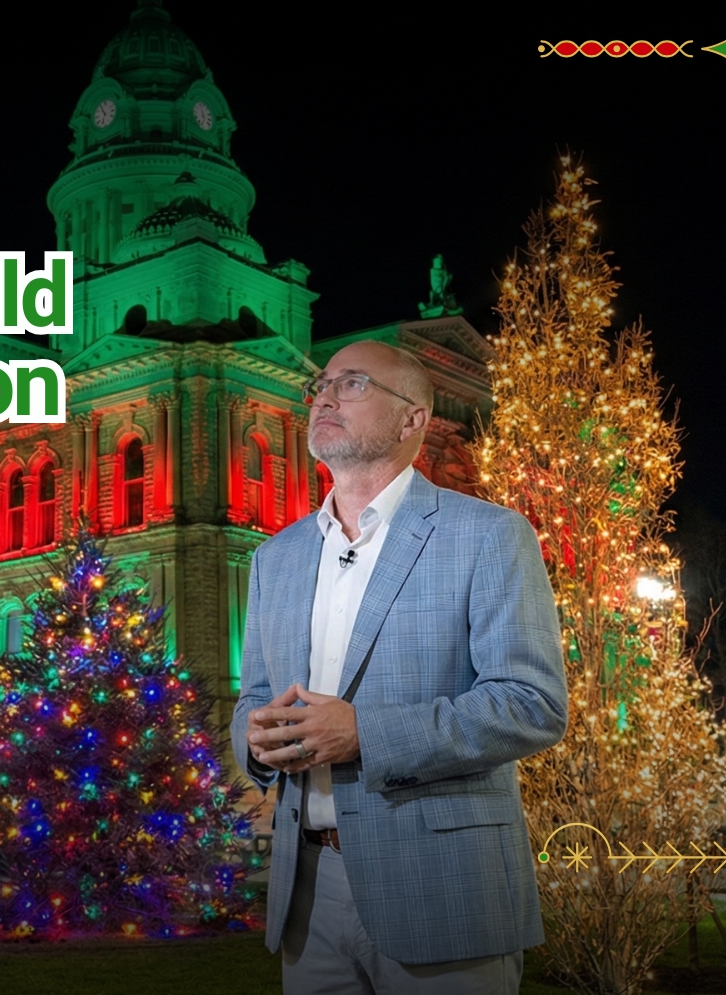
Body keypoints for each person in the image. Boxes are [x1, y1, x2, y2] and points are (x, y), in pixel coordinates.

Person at [234, 339, 568, 994]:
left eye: (353, 384)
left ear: (413, 418)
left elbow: (532, 704)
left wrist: (365, 733)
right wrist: (254, 736)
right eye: (320, 386)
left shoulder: (488, 535)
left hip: (443, 887)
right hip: (308, 894)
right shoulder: (276, 557)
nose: (324, 398)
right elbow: (255, 695)